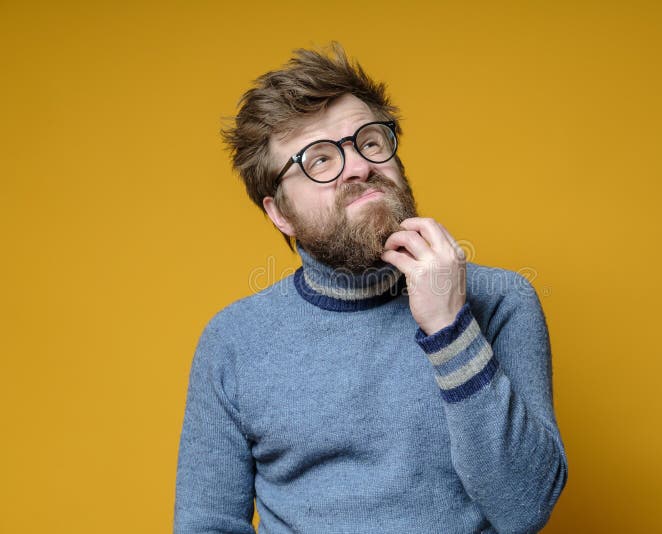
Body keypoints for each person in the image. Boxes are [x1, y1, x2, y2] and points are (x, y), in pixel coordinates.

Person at [174, 44, 568, 534]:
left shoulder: (502, 300)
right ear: (278, 213)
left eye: (370, 141)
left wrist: (450, 328)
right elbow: (206, 523)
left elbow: (524, 508)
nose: (359, 166)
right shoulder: (233, 340)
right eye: (319, 160)